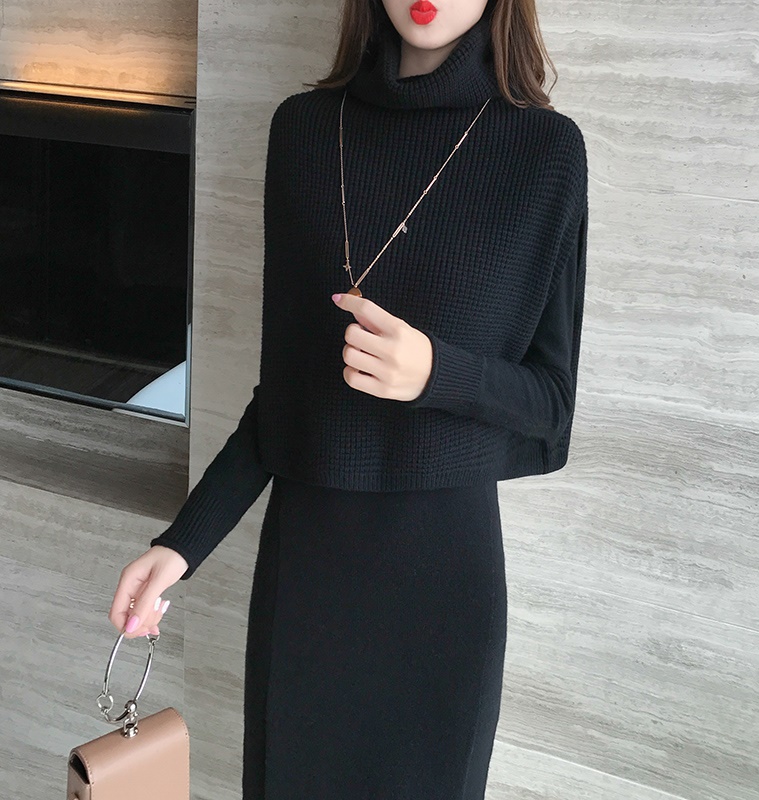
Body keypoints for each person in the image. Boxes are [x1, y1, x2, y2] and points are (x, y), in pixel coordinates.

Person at [108, 0, 588, 796]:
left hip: (445, 587)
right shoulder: (303, 132)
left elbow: (551, 407)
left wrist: (437, 373)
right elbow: (284, 404)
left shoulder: (544, 151)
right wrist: (181, 546)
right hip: (307, 579)